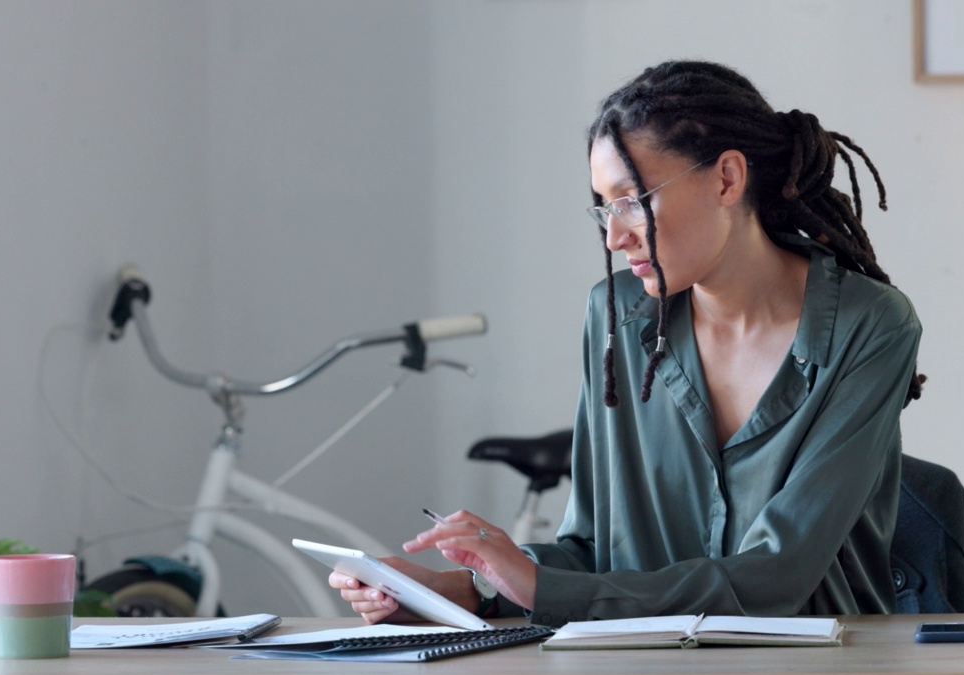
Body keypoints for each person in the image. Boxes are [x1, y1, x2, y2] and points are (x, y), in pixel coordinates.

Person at [331, 59, 924, 626]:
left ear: (727, 178)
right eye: (602, 208)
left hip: (826, 674)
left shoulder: (869, 324)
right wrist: (467, 590)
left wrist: (538, 587)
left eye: (630, 200)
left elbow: (779, 575)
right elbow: (594, 550)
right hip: (641, 671)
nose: (615, 236)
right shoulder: (616, 315)